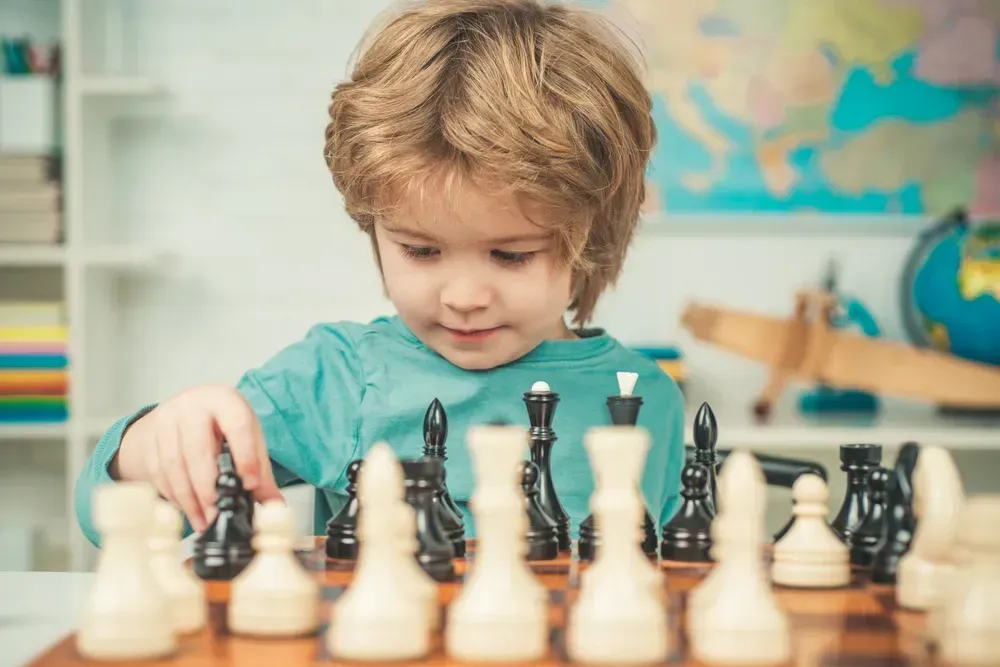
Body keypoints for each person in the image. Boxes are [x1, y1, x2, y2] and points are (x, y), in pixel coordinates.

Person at [74, 0, 686, 547]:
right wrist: (150, 445)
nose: (464, 296)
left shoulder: (645, 397)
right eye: (421, 251)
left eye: (511, 254)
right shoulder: (334, 380)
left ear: (593, 237)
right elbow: (106, 517)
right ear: (375, 230)